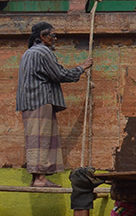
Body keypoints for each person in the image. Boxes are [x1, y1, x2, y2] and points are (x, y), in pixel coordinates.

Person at [16, 22, 94, 188]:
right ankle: (40, 179)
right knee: (41, 139)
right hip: (39, 100)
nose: (55, 38)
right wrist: (82, 67)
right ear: (42, 37)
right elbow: (59, 74)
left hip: (30, 102)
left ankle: (37, 177)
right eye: (52, 35)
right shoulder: (43, 52)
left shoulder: (28, 53)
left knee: (35, 138)